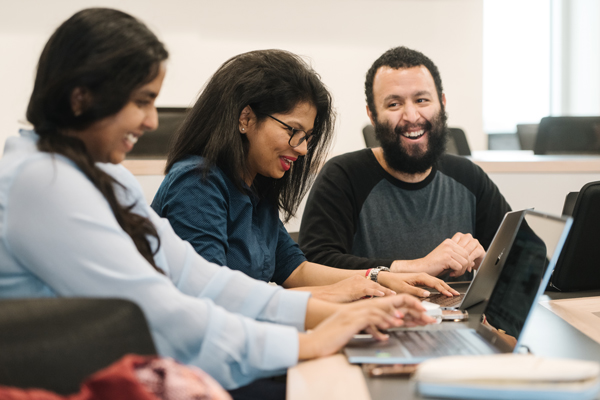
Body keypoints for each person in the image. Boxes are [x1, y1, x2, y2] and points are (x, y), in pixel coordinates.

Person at [0, 9, 435, 396]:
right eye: (142, 101)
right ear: (81, 98)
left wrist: (325, 314)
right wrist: (309, 336)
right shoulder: (41, 180)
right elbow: (159, 308)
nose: (152, 121)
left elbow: (200, 277)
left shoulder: (106, 176)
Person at [151, 49, 458, 302]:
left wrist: (382, 278)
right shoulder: (196, 184)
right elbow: (214, 298)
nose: (300, 150)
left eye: (307, 137)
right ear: (245, 118)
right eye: (292, 131)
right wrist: (342, 294)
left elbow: (294, 270)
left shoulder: (255, 186)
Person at [298, 46, 511, 282]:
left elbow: (531, 261)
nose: (411, 116)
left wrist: (492, 261)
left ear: (441, 103)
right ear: (372, 115)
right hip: (375, 316)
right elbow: (313, 265)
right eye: (394, 104)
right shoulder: (342, 177)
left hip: (459, 317)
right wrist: (417, 267)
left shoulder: (469, 176)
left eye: (422, 100)